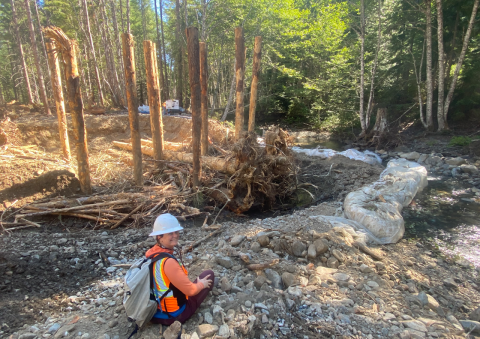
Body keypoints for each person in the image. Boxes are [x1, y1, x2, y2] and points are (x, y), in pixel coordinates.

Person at [146, 213, 214, 325]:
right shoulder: (168, 262)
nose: (175, 235)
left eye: (176, 232)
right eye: (170, 233)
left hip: (155, 312)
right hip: (173, 315)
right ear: (159, 237)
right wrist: (201, 284)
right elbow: (191, 291)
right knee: (209, 274)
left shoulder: (151, 254)